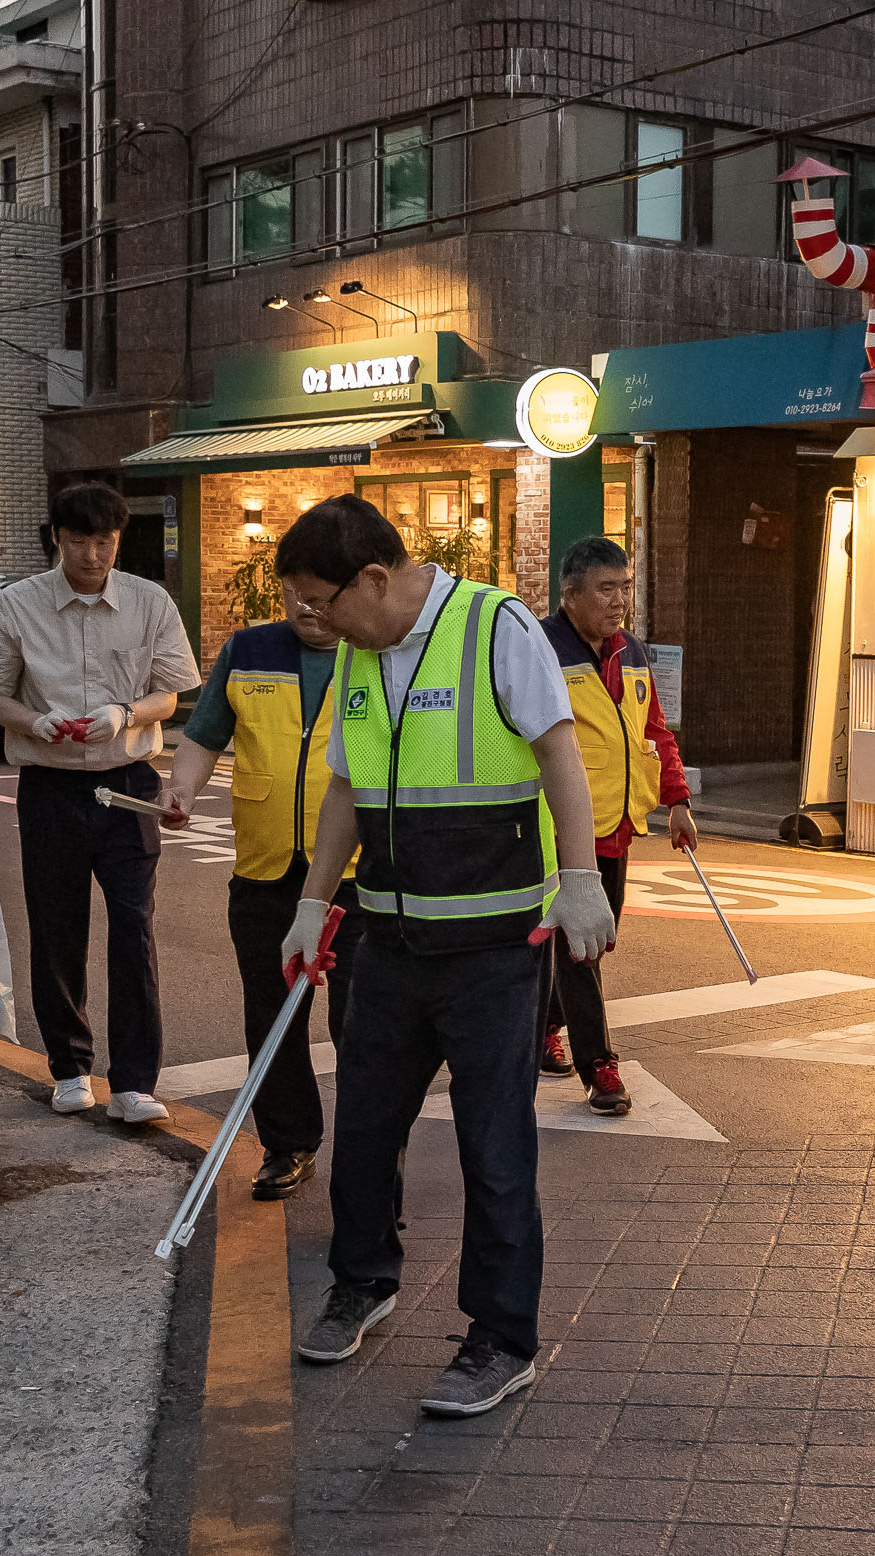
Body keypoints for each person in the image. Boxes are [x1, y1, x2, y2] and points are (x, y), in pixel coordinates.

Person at [275, 496, 614, 1418]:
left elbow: (560, 756)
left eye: (319, 602)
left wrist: (580, 877)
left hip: (493, 949)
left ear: (374, 579)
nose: (314, 620)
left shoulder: (494, 626)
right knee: (365, 1132)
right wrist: (315, 899)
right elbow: (347, 783)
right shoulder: (359, 648)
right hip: (386, 940)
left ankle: (502, 1338)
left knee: (493, 1147)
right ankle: (363, 1280)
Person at [0, 483, 199, 1124]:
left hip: (129, 781)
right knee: (56, 929)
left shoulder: (148, 601)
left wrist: (123, 712)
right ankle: (70, 1068)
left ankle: (134, 1082)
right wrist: (32, 723)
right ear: (57, 538)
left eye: (105, 541)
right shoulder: (15, 606)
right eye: (80, 541)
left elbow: (172, 693)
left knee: (134, 926)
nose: (94, 555)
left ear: (118, 540)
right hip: (49, 785)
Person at [158, 575, 364, 1201]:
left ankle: (372, 1156)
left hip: (360, 876)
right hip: (266, 868)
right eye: (297, 592)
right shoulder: (247, 651)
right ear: (281, 591)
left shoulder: (377, 654)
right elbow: (202, 736)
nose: (310, 606)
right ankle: (288, 1142)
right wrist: (182, 789)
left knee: (366, 1021)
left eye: (324, 593)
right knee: (271, 1016)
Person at [537, 536, 695, 1115]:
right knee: (581, 948)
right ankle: (599, 1066)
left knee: (593, 941)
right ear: (570, 594)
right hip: (561, 828)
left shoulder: (631, 650)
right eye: (606, 589)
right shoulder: (541, 650)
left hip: (619, 823)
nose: (619, 601)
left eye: (624, 588)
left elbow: (654, 728)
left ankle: (545, 1025)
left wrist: (676, 800)